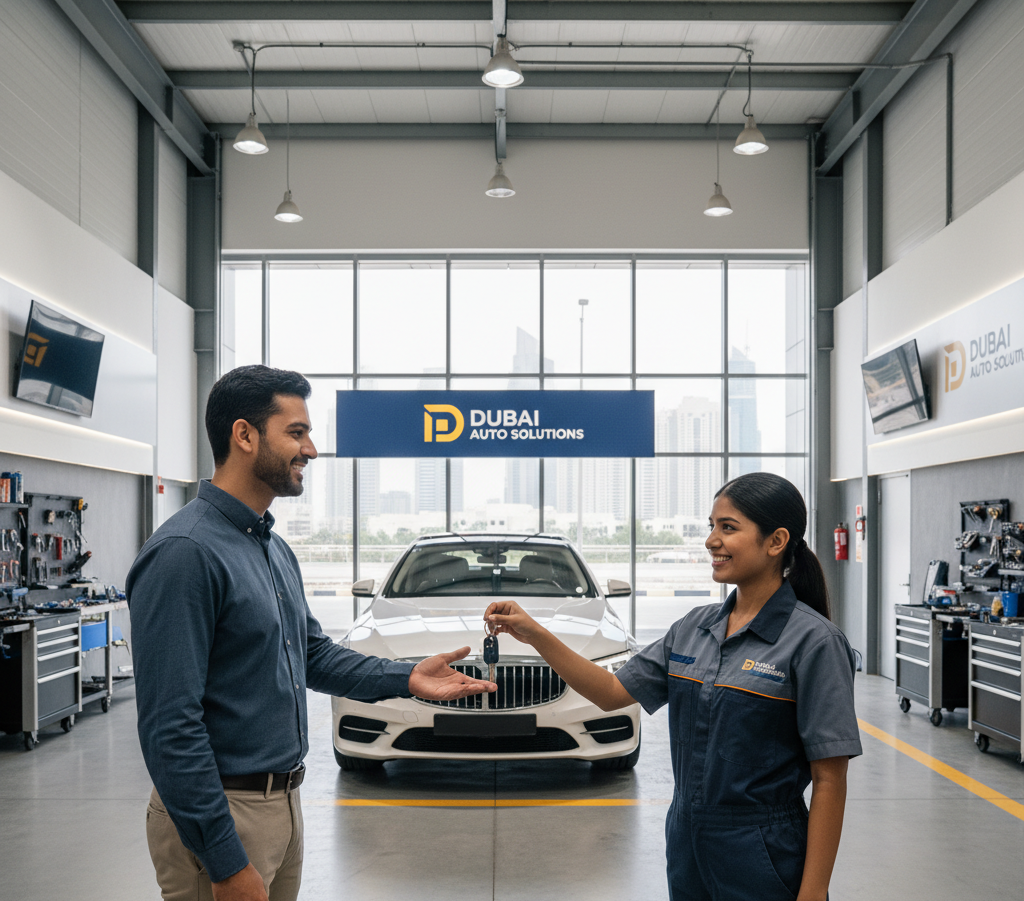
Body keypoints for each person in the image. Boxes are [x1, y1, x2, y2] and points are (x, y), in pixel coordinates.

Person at [127, 365, 495, 901]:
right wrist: (226, 861)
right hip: (224, 812)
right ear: (245, 435)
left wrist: (406, 676)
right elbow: (170, 728)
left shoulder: (270, 547)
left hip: (282, 805)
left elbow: (314, 656)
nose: (312, 450)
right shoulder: (186, 553)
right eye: (296, 433)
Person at [485, 472, 861, 901]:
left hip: (763, 849)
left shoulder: (814, 643)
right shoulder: (693, 628)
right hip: (687, 839)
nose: (711, 541)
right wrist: (534, 633)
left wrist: (813, 892)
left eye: (728, 527)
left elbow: (830, 778)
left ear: (776, 542)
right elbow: (611, 693)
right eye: (712, 525)